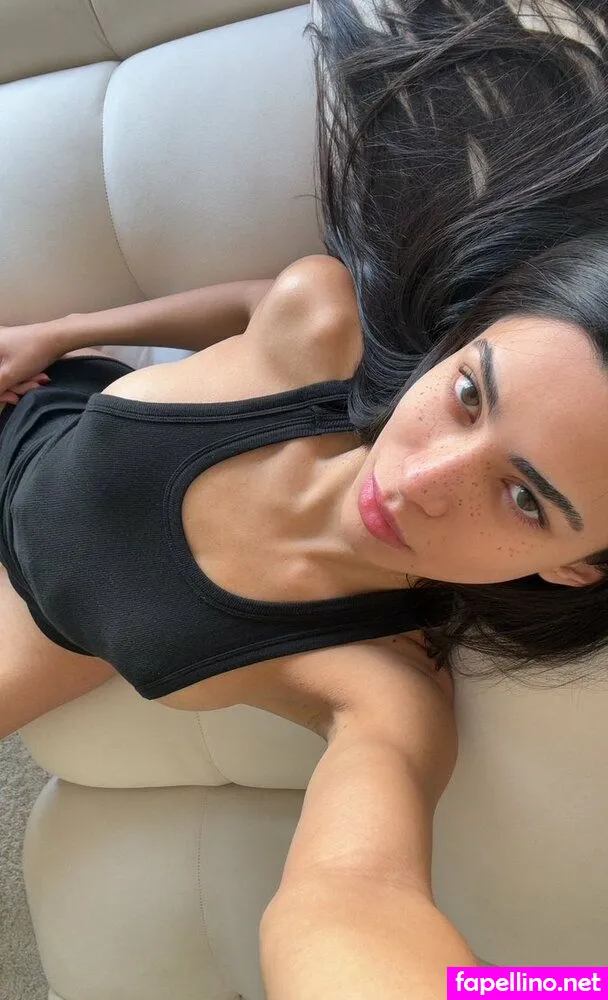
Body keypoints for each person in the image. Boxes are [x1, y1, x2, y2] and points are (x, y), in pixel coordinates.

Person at [1, 0, 607, 992]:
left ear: (574, 567)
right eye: (467, 395)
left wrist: (557, 985)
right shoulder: (320, 324)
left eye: (525, 499)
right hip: (33, 402)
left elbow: (354, 904)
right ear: (460, 344)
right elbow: (251, 305)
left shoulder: (383, 690)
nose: (416, 481)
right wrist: (59, 333)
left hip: (33, 623)